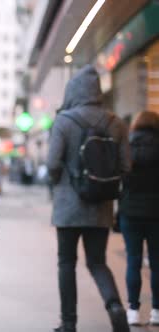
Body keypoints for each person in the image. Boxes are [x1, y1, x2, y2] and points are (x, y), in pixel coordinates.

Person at [46, 64, 131, 332]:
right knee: (98, 262)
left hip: (68, 207)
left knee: (66, 263)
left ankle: (69, 324)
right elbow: (127, 165)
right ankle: (115, 307)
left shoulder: (64, 120)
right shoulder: (115, 122)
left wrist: (60, 179)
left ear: (73, 90)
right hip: (101, 205)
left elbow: (51, 163)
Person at [118, 111, 159, 326]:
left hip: (130, 212)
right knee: (157, 264)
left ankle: (133, 311)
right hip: (156, 213)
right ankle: (156, 311)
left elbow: (119, 177)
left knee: (133, 262)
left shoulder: (127, 146)